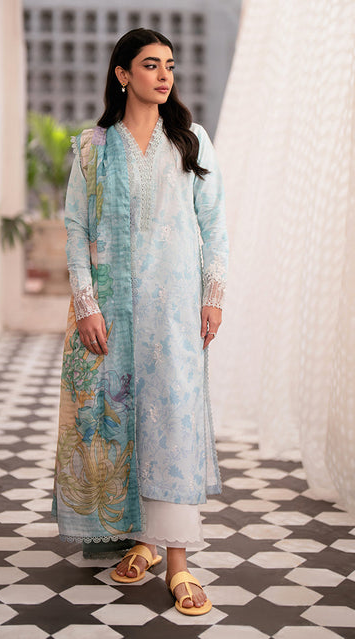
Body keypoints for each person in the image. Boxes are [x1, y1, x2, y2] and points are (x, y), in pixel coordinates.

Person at [52, 28, 228, 616]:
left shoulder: (191, 141)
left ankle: (178, 562)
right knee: (124, 424)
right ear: (123, 74)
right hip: (115, 315)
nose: (164, 75)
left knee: (173, 424)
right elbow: (76, 226)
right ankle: (145, 543)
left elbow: (214, 225)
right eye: (151, 65)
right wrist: (86, 304)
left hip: (176, 313)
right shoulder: (93, 147)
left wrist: (213, 295)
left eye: (169, 65)